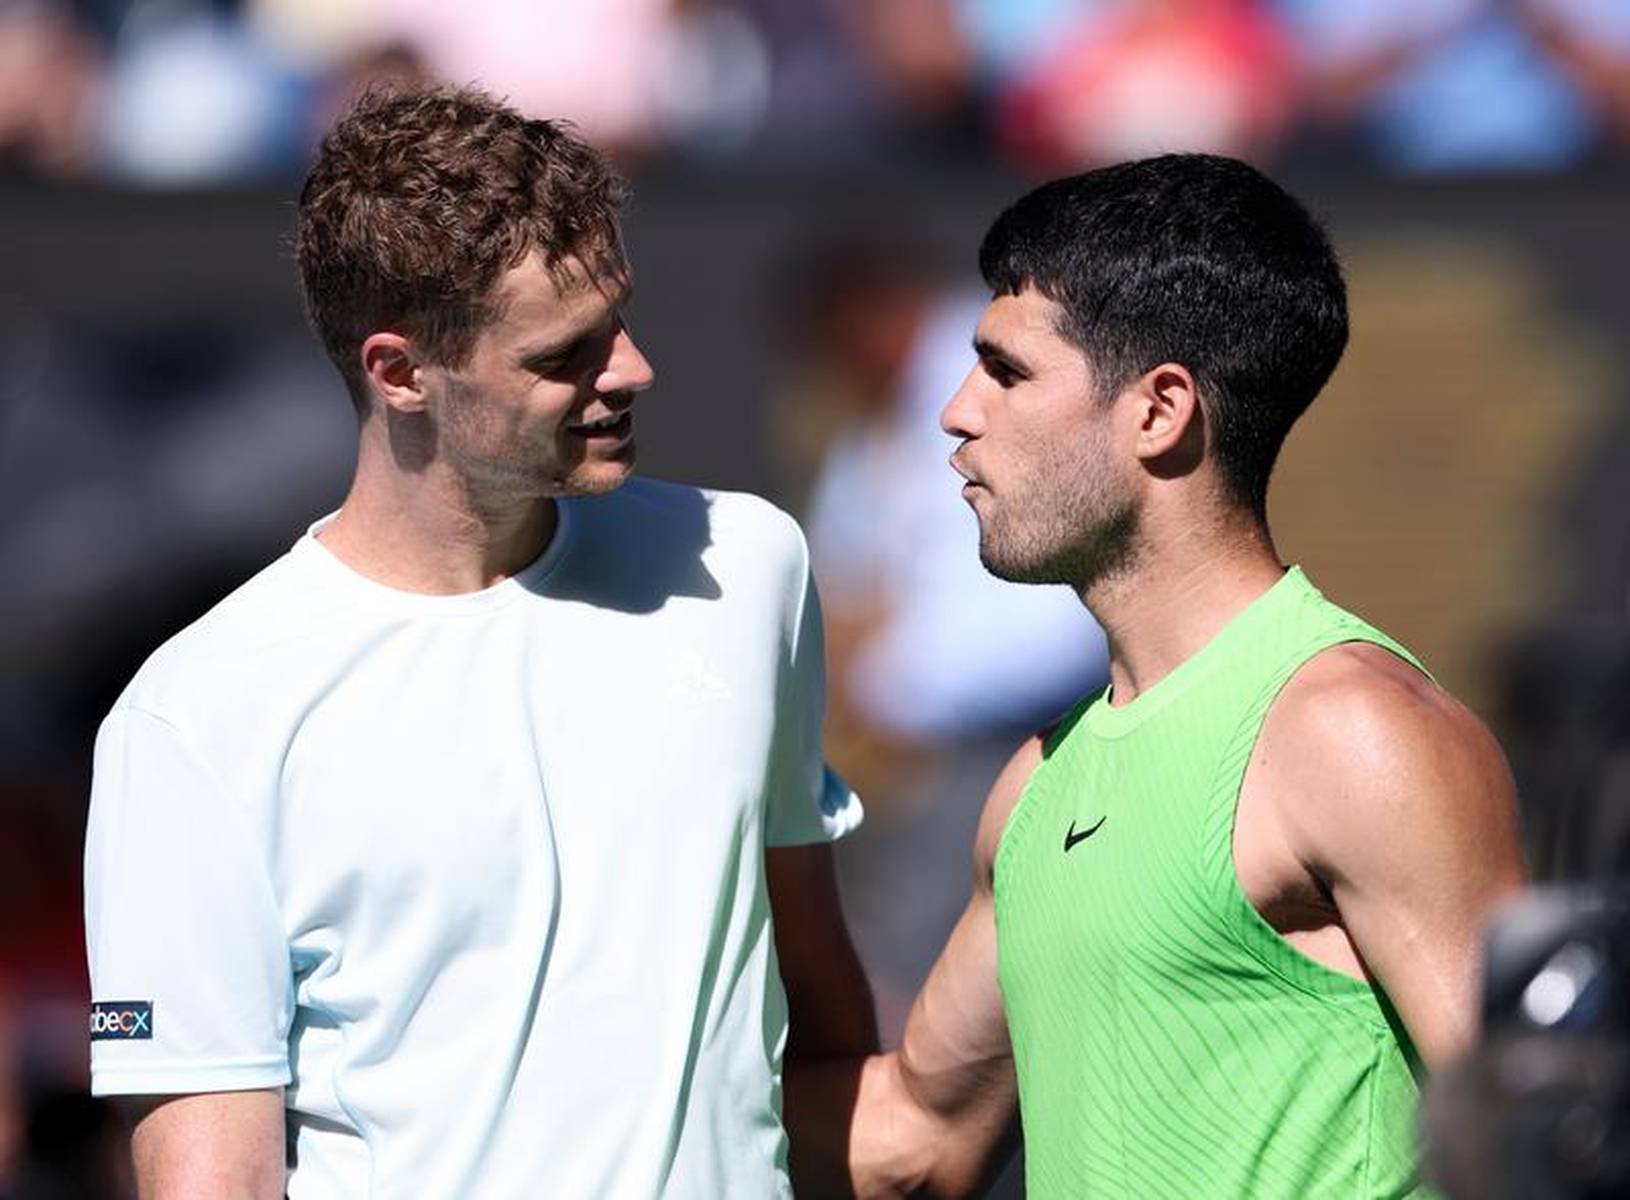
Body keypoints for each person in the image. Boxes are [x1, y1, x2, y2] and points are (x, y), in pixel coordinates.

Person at [81, 85, 876, 1198]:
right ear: (401, 373)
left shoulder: (749, 567)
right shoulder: (195, 716)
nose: (631, 369)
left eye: (619, 319)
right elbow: (214, 1176)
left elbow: (823, 1022)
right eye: (563, 354)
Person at [788, 154, 1529, 1197]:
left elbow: (1542, 1150)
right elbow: (910, 1139)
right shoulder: (1036, 786)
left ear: (1157, 410)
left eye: (1005, 373)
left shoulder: (1353, 733)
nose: (954, 413)